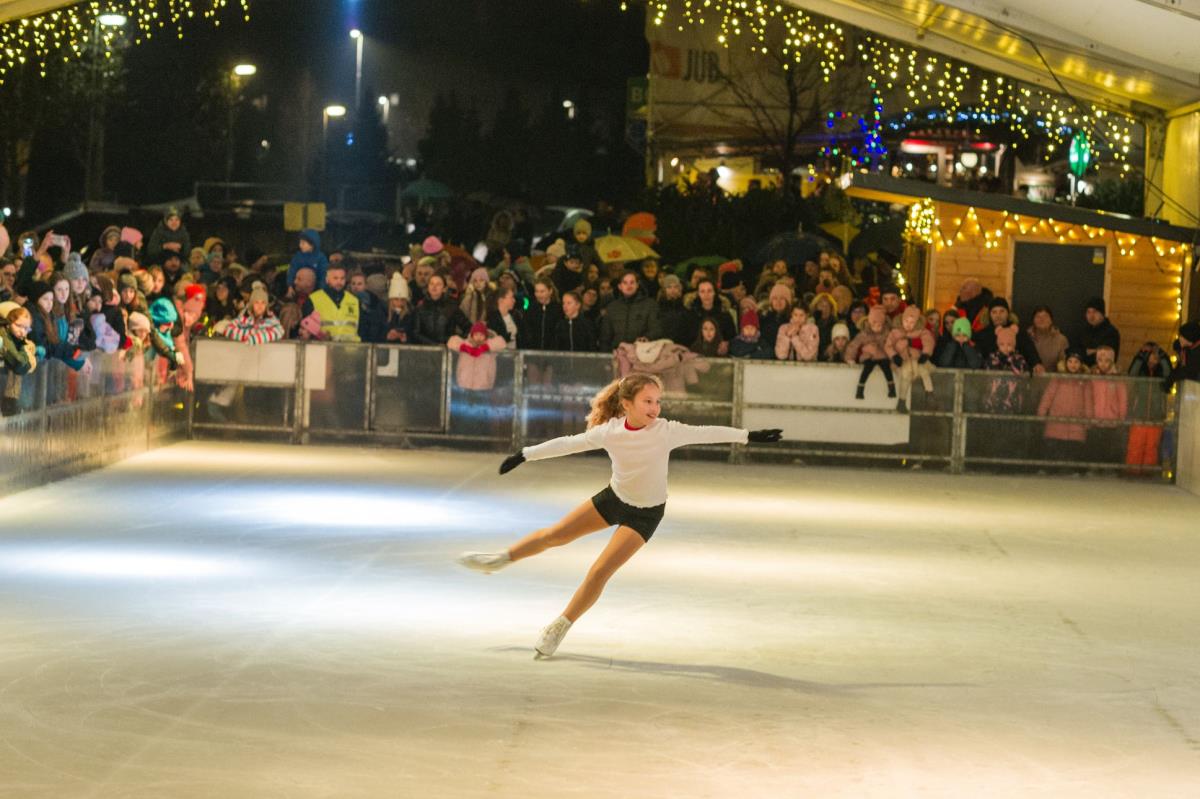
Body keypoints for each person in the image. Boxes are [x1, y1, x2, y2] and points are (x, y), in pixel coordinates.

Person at [456, 373, 783, 657]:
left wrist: (748, 436)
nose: (655, 408)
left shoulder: (666, 431)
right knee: (555, 535)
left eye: (657, 401)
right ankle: (500, 559)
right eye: (647, 401)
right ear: (626, 404)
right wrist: (525, 454)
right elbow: (569, 443)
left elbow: (706, 432)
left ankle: (560, 626)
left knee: (599, 571)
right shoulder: (610, 431)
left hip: (646, 514)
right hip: (614, 499)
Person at [1037, 348, 1091, 465]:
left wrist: (1088, 420)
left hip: (1076, 422)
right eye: (1070, 361)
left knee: (1073, 450)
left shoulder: (1084, 382)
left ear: (1081, 364)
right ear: (1066, 362)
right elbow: (1048, 396)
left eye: (1076, 362)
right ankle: (1049, 468)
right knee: (1053, 449)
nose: (1073, 365)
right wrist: (1042, 411)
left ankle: (1073, 469)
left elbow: (1088, 402)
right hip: (1056, 420)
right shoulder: (1058, 379)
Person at [885, 305, 935, 412]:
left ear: (916, 322)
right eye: (906, 321)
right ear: (902, 319)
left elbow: (928, 341)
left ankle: (929, 393)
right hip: (903, 361)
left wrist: (926, 353)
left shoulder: (921, 331)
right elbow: (888, 345)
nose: (908, 324)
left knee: (924, 372)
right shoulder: (895, 332)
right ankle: (902, 401)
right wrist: (894, 356)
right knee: (905, 378)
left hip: (917, 359)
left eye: (912, 322)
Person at [599, 271, 660, 351]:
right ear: (620, 286)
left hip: (641, 353)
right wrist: (606, 354)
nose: (629, 286)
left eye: (632, 282)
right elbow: (605, 337)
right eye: (625, 283)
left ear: (637, 285)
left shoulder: (650, 304)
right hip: (617, 354)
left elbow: (656, 329)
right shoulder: (612, 307)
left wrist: (647, 338)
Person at [975, 297, 1040, 372]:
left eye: (1002, 311)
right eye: (994, 312)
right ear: (990, 315)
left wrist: (1037, 363)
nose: (998, 315)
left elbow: (1029, 350)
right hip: (989, 376)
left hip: (1016, 375)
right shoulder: (982, 335)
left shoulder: (1019, 332)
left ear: (1008, 313)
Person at [846, 305, 895, 399]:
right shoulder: (864, 333)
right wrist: (849, 358)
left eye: (879, 325)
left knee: (887, 369)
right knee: (866, 369)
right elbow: (854, 345)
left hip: (883, 356)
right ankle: (860, 388)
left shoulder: (887, 333)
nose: (876, 328)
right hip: (868, 356)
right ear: (869, 323)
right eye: (874, 325)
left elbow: (893, 345)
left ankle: (891, 387)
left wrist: (894, 358)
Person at [302, 263, 360, 342]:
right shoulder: (314, 299)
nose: (339, 282)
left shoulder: (354, 300)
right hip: (323, 347)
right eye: (335, 278)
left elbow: (361, 329)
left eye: (342, 278)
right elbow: (306, 331)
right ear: (327, 279)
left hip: (351, 347)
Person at [411, 274, 469, 346]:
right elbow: (415, 333)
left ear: (444, 288)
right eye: (431, 283)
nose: (434, 286)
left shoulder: (452, 307)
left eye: (438, 284)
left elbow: (468, 328)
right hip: (426, 350)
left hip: (448, 349)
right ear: (428, 287)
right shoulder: (420, 308)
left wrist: (455, 341)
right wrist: (434, 345)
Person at [519, 277, 562, 351]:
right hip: (533, 350)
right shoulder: (531, 309)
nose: (539, 295)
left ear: (550, 291)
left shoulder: (559, 309)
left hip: (553, 351)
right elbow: (525, 330)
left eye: (542, 291)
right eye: (537, 291)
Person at [1076, 296, 1121, 367]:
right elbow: (1077, 352)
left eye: (1095, 312)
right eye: (1088, 312)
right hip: (1083, 370)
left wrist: (1089, 352)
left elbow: (1106, 356)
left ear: (1102, 314)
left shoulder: (1111, 332)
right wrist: (1094, 351)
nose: (1091, 316)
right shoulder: (1084, 331)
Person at [1027, 305, 1069, 373]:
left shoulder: (1061, 340)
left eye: (1045, 316)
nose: (1042, 319)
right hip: (1027, 378)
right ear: (1033, 320)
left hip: (1054, 378)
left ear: (1051, 320)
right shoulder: (1025, 337)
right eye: (1038, 317)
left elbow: (1065, 365)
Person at [1167, 321, 1200, 391]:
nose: (1179, 338)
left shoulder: (1196, 353)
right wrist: (1170, 379)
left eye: (1181, 336)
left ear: (1188, 337)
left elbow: (1189, 372)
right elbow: (1180, 368)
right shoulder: (1188, 350)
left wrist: (1172, 378)